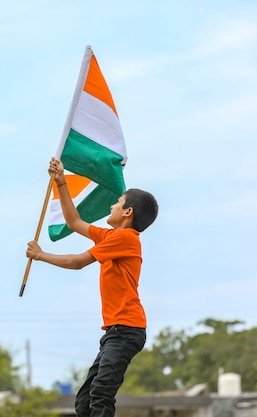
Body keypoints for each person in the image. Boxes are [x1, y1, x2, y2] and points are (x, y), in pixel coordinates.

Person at [26, 157, 159, 417]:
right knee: (84, 402)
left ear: (127, 212)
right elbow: (74, 222)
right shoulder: (113, 236)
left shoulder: (125, 238)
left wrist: (41, 255)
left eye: (117, 202)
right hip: (116, 331)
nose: (112, 205)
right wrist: (61, 182)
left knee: (101, 393)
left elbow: (78, 262)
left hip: (127, 329)